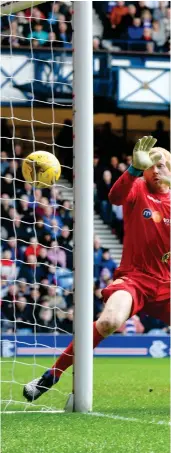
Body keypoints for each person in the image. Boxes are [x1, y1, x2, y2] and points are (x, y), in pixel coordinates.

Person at [23, 136, 170, 402]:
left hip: (168, 285)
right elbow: (115, 197)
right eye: (151, 165)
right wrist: (134, 170)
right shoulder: (138, 187)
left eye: (162, 166)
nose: (156, 170)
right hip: (135, 279)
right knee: (110, 321)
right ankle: (52, 374)